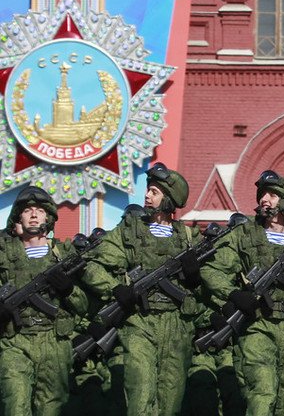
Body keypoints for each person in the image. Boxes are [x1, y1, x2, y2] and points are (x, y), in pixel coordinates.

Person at [79, 162, 204, 415]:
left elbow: (213, 278)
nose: (147, 196)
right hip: (139, 321)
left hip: (178, 324)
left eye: (154, 192)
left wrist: (195, 277)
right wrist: (115, 288)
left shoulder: (190, 238)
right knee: (141, 392)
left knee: (170, 400)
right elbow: (91, 264)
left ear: (169, 198)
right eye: (148, 190)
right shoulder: (130, 231)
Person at [204, 170, 284, 415]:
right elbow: (211, 268)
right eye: (262, 195)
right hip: (257, 325)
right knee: (262, 394)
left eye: (272, 195)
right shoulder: (244, 233)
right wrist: (233, 294)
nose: (264, 199)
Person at [0, 186, 88, 415]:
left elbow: (83, 307)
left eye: (39, 211)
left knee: (51, 408)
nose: (33, 215)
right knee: (15, 406)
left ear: (48, 218)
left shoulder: (62, 255)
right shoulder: (4, 255)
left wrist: (69, 290)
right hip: (15, 340)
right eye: (27, 210)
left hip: (54, 342)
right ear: (18, 217)